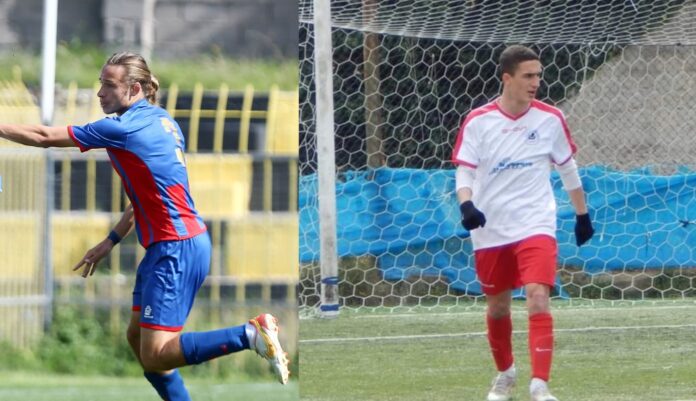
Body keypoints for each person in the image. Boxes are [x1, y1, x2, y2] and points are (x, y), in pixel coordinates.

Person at [0, 51, 289, 400]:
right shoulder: (164, 121)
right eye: (101, 83)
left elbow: (45, 136)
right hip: (177, 244)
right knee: (137, 340)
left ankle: (249, 334)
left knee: (156, 354)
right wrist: (111, 240)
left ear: (134, 88)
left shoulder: (120, 128)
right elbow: (150, 194)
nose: (100, 92)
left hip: (175, 248)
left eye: (109, 85)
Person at [451, 45, 594, 401]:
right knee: (498, 307)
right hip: (490, 227)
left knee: (537, 297)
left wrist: (582, 215)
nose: (536, 82)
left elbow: (568, 169)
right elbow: (465, 170)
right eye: (528, 76)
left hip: (535, 222)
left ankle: (540, 385)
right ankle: (506, 374)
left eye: (538, 76)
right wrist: (467, 205)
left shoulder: (550, 118)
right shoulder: (478, 121)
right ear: (507, 78)